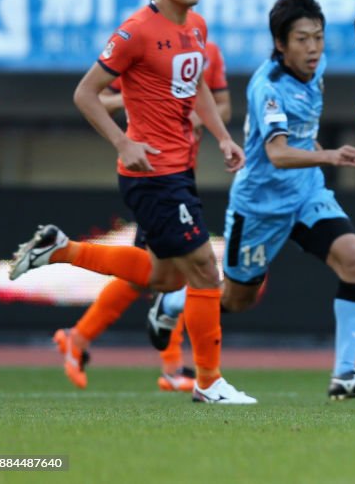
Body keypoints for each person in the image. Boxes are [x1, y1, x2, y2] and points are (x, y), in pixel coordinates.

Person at [10, 0, 256, 404]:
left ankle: (61, 250)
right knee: (206, 269)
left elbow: (198, 85)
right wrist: (124, 143)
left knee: (166, 278)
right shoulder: (136, 31)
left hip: (179, 169)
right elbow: (85, 93)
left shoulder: (197, 28)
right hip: (152, 174)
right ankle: (208, 382)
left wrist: (224, 138)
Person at [147, 0, 355, 401]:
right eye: (302, 39)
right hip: (259, 206)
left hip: (307, 193)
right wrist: (330, 154)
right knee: (238, 301)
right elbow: (276, 154)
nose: (313, 48)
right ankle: (172, 303)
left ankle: (344, 374)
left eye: (318, 37)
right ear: (280, 43)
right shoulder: (269, 88)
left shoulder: (318, 66)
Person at [50, 35, 230, 393]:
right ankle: (173, 367)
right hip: (155, 173)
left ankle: (79, 336)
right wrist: (130, 99)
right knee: (186, 267)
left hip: (181, 173)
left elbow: (222, 104)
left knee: (148, 275)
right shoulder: (143, 41)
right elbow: (95, 96)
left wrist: (201, 118)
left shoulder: (203, 48)